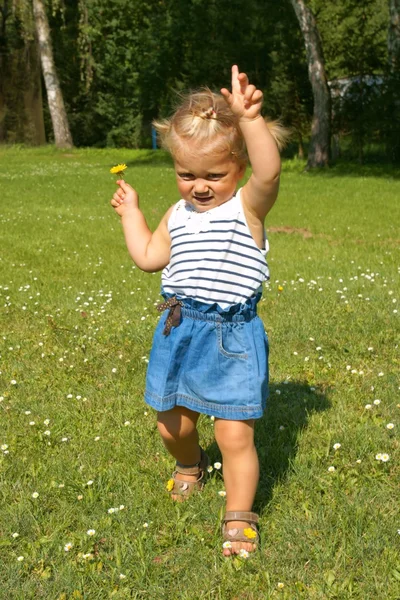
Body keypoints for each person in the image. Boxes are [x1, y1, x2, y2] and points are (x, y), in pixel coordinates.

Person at [110, 65, 286, 557]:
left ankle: (239, 516)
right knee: (172, 425)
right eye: (187, 174)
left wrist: (250, 120)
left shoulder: (247, 208)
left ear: (240, 170)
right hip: (178, 326)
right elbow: (149, 257)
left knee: (234, 434)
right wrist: (132, 216)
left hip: (230, 337)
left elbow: (271, 171)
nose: (200, 186)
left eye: (215, 174)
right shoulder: (177, 213)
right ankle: (189, 464)